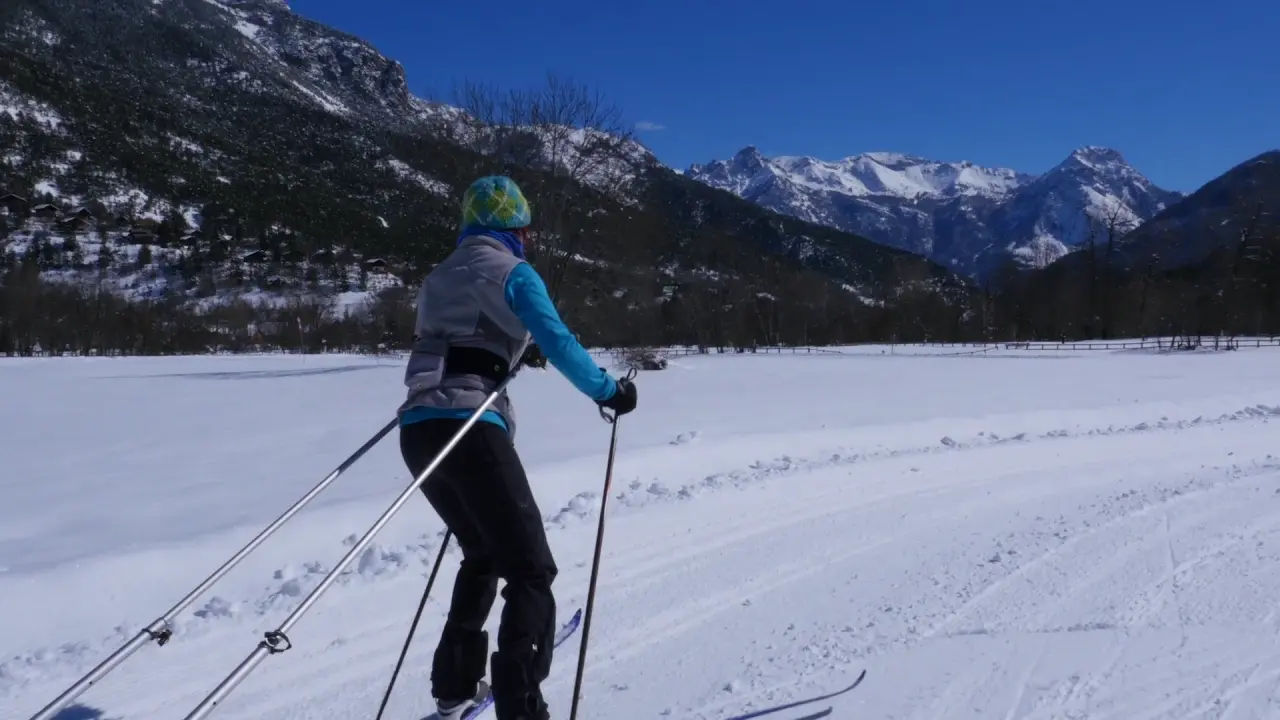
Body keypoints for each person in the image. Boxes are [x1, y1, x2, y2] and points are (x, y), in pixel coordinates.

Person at [396, 175, 638, 720]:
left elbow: (459, 337)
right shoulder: (515, 273)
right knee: (530, 570)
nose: (528, 239)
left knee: (482, 554)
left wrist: (508, 348)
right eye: (525, 230)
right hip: (472, 427)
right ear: (515, 229)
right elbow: (561, 343)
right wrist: (610, 391)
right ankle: (521, 705)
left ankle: (454, 685)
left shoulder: (438, 275)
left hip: (418, 430)